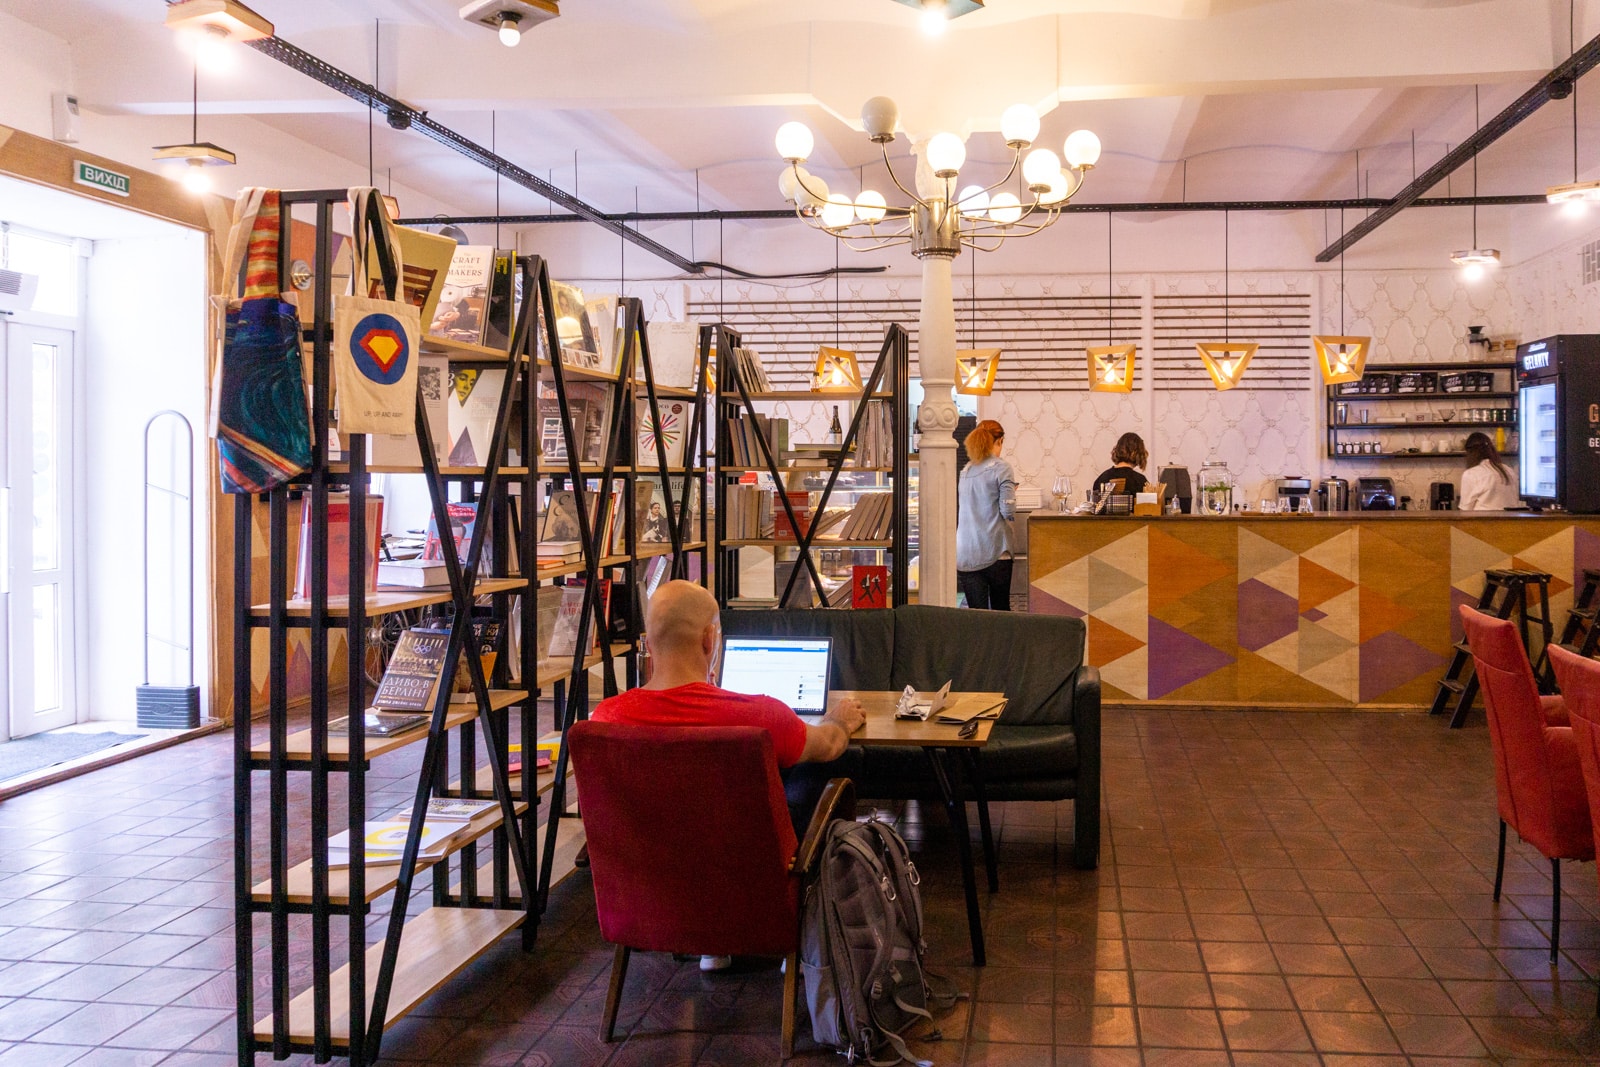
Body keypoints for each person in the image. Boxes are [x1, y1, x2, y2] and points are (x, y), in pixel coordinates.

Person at [591, 580, 865, 969]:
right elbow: (830, 745)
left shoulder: (607, 720)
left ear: (649, 643)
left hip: (653, 890)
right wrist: (840, 720)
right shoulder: (761, 717)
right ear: (709, 639)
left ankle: (713, 946)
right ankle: (799, 936)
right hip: (745, 882)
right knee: (813, 774)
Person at [955, 419, 1017, 611]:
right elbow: (1007, 510)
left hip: (966, 554)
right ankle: (1003, 643)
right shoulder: (1002, 467)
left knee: (977, 617)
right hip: (995, 551)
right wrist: (1013, 496)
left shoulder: (966, 470)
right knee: (1000, 613)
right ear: (999, 441)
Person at [1460, 431, 1521, 511]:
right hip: (1512, 521)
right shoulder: (1509, 470)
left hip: (1484, 521)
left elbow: (1465, 509)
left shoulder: (1471, 474)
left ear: (1470, 453)